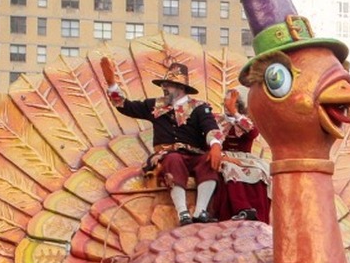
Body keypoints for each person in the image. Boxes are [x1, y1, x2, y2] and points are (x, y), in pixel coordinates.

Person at [100, 59, 223, 226]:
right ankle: (183, 212)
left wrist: (215, 145)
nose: (164, 87)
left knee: (208, 161)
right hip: (167, 155)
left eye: (169, 85)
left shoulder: (199, 107)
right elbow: (125, 106)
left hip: (194, 154)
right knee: (173, 159)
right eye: (164, 84)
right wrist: (112, 84)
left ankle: (201, 211)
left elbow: (210, 127)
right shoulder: (155, 105)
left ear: (181, 88)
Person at [211, 88, 271, 223]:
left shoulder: (245, 121)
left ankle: (259, 214)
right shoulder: (216, 120)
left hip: (245, 157)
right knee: (231, 169)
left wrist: (235, 112)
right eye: (226, 102)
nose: (228, 105)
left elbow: (253, 133)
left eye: (232, 103)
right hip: (224, 156)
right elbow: (211, 139)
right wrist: (223, 157)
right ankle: (241, 208)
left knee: (260, 172)